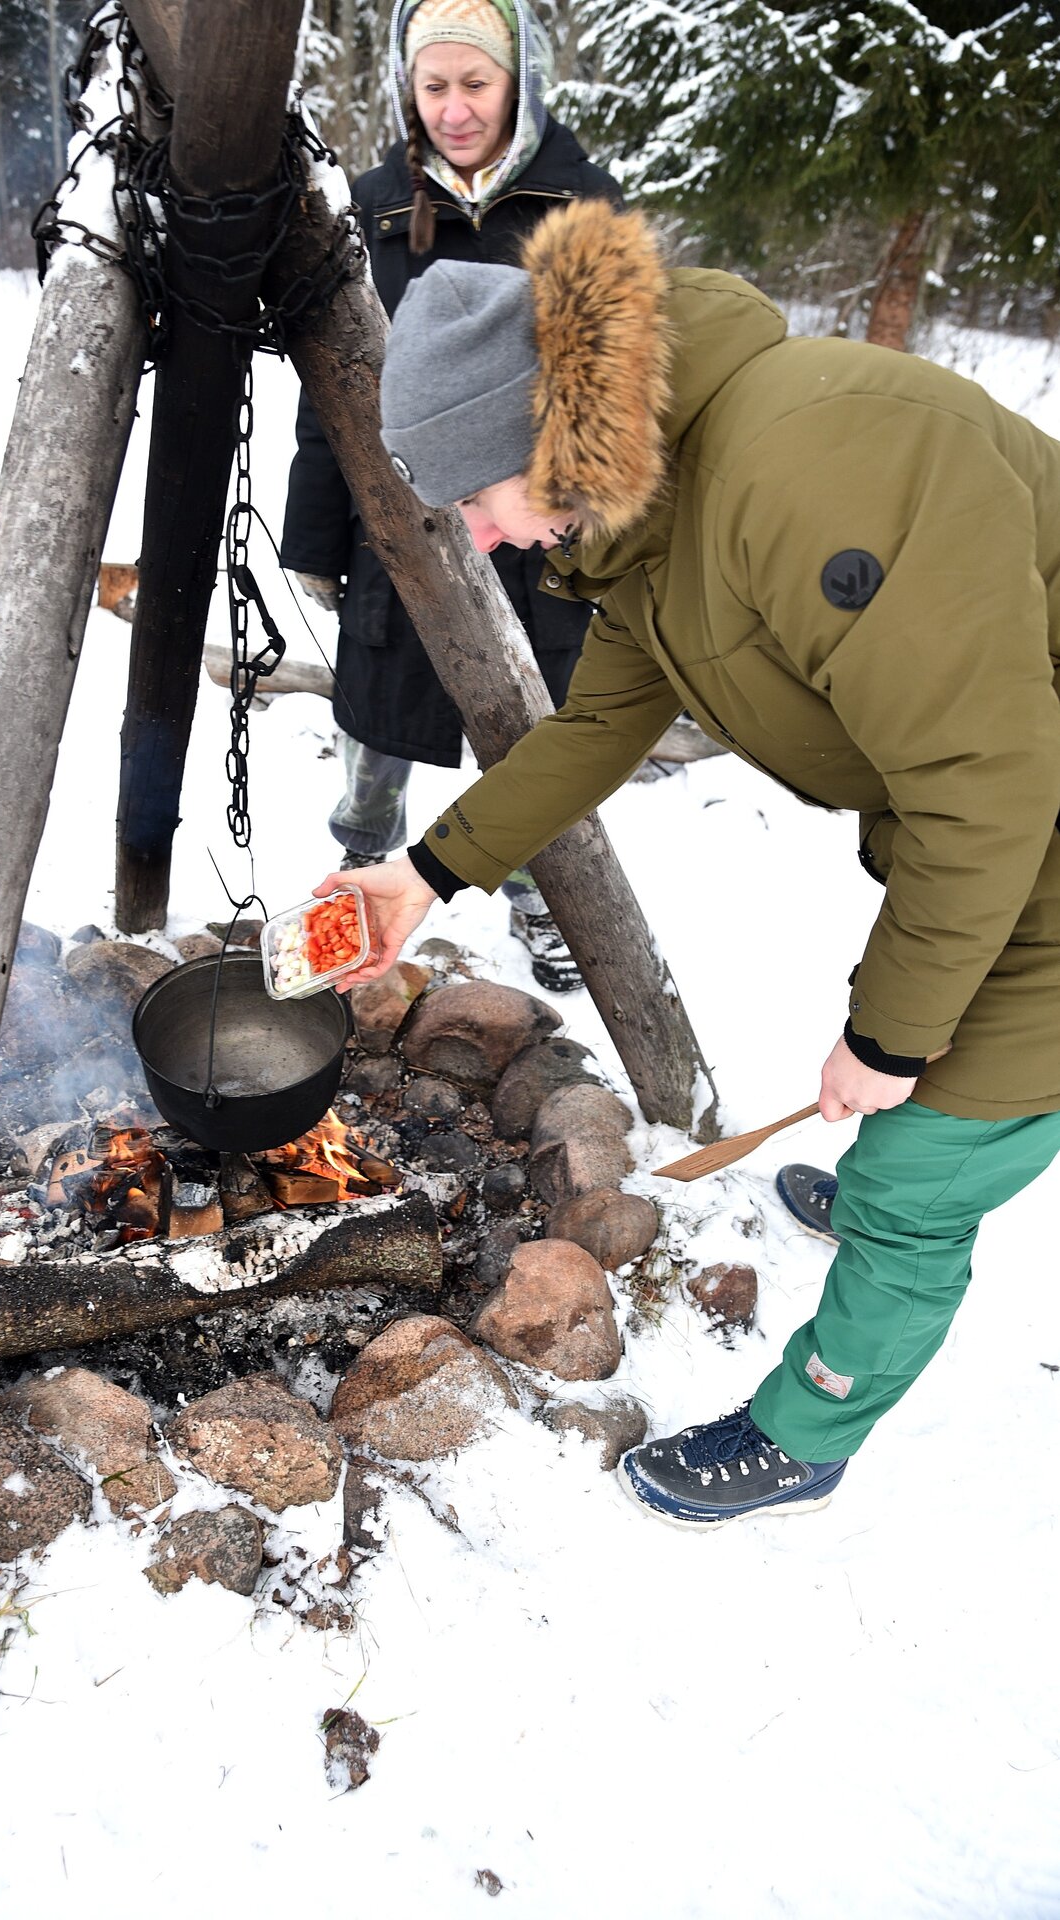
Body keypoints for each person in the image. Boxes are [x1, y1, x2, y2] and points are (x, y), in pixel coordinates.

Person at [317, 195, 1060, 1527]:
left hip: (1030, 837)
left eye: (474, 497)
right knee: (920, 1080)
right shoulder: (646, 521)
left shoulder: (807, 464)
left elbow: (980, 796)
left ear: (538, 441)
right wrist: (420, 875)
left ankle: (804, 1432)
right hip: (1003, 821)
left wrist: (889, 1045)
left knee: (920, 1170)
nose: (476, 536)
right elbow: (598, 725)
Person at [280, 0, 622, 991]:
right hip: (401, 511)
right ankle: (362, 852)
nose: (455, 109)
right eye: (434, 86)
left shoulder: (583, 201)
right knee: (379, 703)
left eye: (475, 83)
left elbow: (614, 384)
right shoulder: (375, 201)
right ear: (406, 86)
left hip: (538, 514)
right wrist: (314, 531)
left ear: (522, 82)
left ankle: (531, 885)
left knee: (530, 717)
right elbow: (334, 374)